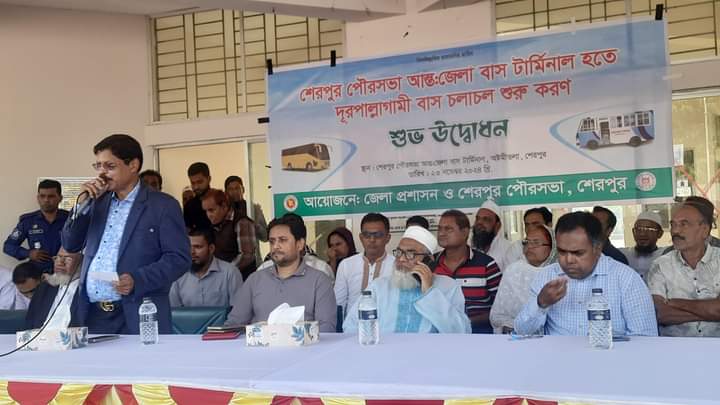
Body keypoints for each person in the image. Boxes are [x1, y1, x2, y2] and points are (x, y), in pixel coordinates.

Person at [62, 134, 191, 334]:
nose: (102, 174)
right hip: (92, 312)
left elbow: (179, 259)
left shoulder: (162, 205)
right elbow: (70, 244)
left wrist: (138, 279)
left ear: (133, 165)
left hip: (136, 311)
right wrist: (81, 204)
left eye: (110, 166)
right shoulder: (96, 202)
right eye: (98, 166)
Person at [514, 212, 657, 336]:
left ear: (598, 248)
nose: (569, 260)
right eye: (562, 252)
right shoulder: (547, 276)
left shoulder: (626, 279)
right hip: (557, 357)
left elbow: (644, 338)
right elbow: (522, 332)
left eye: (578, 253)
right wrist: (541, 303)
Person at [343, 226, 471, 334]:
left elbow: (461, 331)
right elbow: (351, 325)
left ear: (428, 260)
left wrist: (430, 293)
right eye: (399, 253)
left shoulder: (448, 286)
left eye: (410, 254)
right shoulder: (379, 287)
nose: (401, 259)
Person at [224, 215, 337, 332]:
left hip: (304, 343)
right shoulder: (255, 280)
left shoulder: (319, 281)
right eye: (272, 241)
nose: (276, 246)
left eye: (282, 240)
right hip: (260, 343)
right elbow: (233, 324)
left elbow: (327, 329)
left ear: (300, 244)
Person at [646, 200, 720, 337]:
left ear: (704, 230)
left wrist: (676, 303)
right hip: (675, 347)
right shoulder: (660, 265)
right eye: (673, 225)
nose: (675, 231)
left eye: (684, 224)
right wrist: (711, 311)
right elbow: (659, 313)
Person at [433, 209, 501, 334]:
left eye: (448, 229)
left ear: (465, 233)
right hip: (438, 334)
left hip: (478, 335)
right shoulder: (430, 264)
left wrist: (464, 322)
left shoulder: (487, 265)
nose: (441, 233)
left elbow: (500, 309)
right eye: (439, 229)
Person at [490, 225, 557, 334]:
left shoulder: (558, 273)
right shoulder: (514, 270)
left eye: (536, 242)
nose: (529, 246)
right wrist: (515, 328)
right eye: (526, 242)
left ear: (552, 247)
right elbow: (498, 315)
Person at [334, 213, 395, 315]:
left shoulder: (397, 266)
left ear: (387, 238)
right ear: (361, 238)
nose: (372, 240)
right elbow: (338, 304)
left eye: (378, 235)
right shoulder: (346, 265)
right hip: (352, 324)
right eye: (367, 235)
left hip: (386, 324)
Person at [4, 179, 69, 272]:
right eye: (42, 196)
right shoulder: (28, 221)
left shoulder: (70, 220)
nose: (46, 200)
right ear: (38, 198)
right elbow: (8, 246)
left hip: (65, 272)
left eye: (51, 196)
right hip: (38, 274)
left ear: (60, 198)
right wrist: (28, 253)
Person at [170, 229, 243, 307]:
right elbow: (175, 311)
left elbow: (238, 309)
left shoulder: (230, 273)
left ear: (211, 248)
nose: (192, 252)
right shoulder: (178, 275)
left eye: (197, 247)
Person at [201, 189, 257, 280]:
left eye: (211, 210)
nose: (208, 215)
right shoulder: (214, 224)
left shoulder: (242, 222)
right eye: (206, 211)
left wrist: (225, 271)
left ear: (223, 206)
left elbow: (247, 256)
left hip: (242, 280)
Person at [25, 248, 82, 330]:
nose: (60, 263)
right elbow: (30, 323)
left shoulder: (89, 292)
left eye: (68, 259)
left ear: (81, 263)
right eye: (57, 258)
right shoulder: (44, 288)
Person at [619, 211, 665, 278]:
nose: (642, 234)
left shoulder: (665, 256)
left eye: (649, 229)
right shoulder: (622, 255)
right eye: (638, 229)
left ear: (660, 233)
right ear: (633, 232)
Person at [472, 199, 513, 272]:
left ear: (498, 226)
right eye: (477, 218)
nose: (479, 222)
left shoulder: (508, 250)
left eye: (486, 219)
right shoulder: (470, 249)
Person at [224, 175, 268, 242]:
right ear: (226, 192)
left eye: (237, 188)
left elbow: (265, 236)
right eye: (231, 189)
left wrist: (255, 225)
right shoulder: (223, 211)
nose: (234, 192)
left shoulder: (254, 209)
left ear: (243, 189)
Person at [184, 162, 212, 231]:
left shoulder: (221, 200)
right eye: (193, 183)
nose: (196, 187)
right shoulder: (189, 206)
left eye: (200, 182)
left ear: (209, 179)